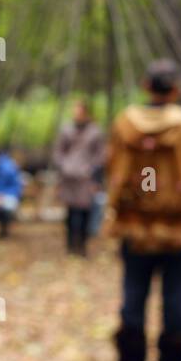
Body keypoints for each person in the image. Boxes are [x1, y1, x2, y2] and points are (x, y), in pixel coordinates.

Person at [104, 60, 181, 361]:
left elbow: (113, 171)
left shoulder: (125, 125)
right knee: (177, 296)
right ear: (175, 89)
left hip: (134, 225)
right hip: (178, 229)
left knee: (133, 291)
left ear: (145, 85)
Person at [52, 100, 106, 256]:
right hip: (68, 178)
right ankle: (70, 245)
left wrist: (95, 175)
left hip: (86, 178)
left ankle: (82, 245)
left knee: (85, 213)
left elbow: (100, 156)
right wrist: (63, 166)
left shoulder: (95, 132)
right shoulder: (66, 130)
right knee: (71, 213)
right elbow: (58, 152)